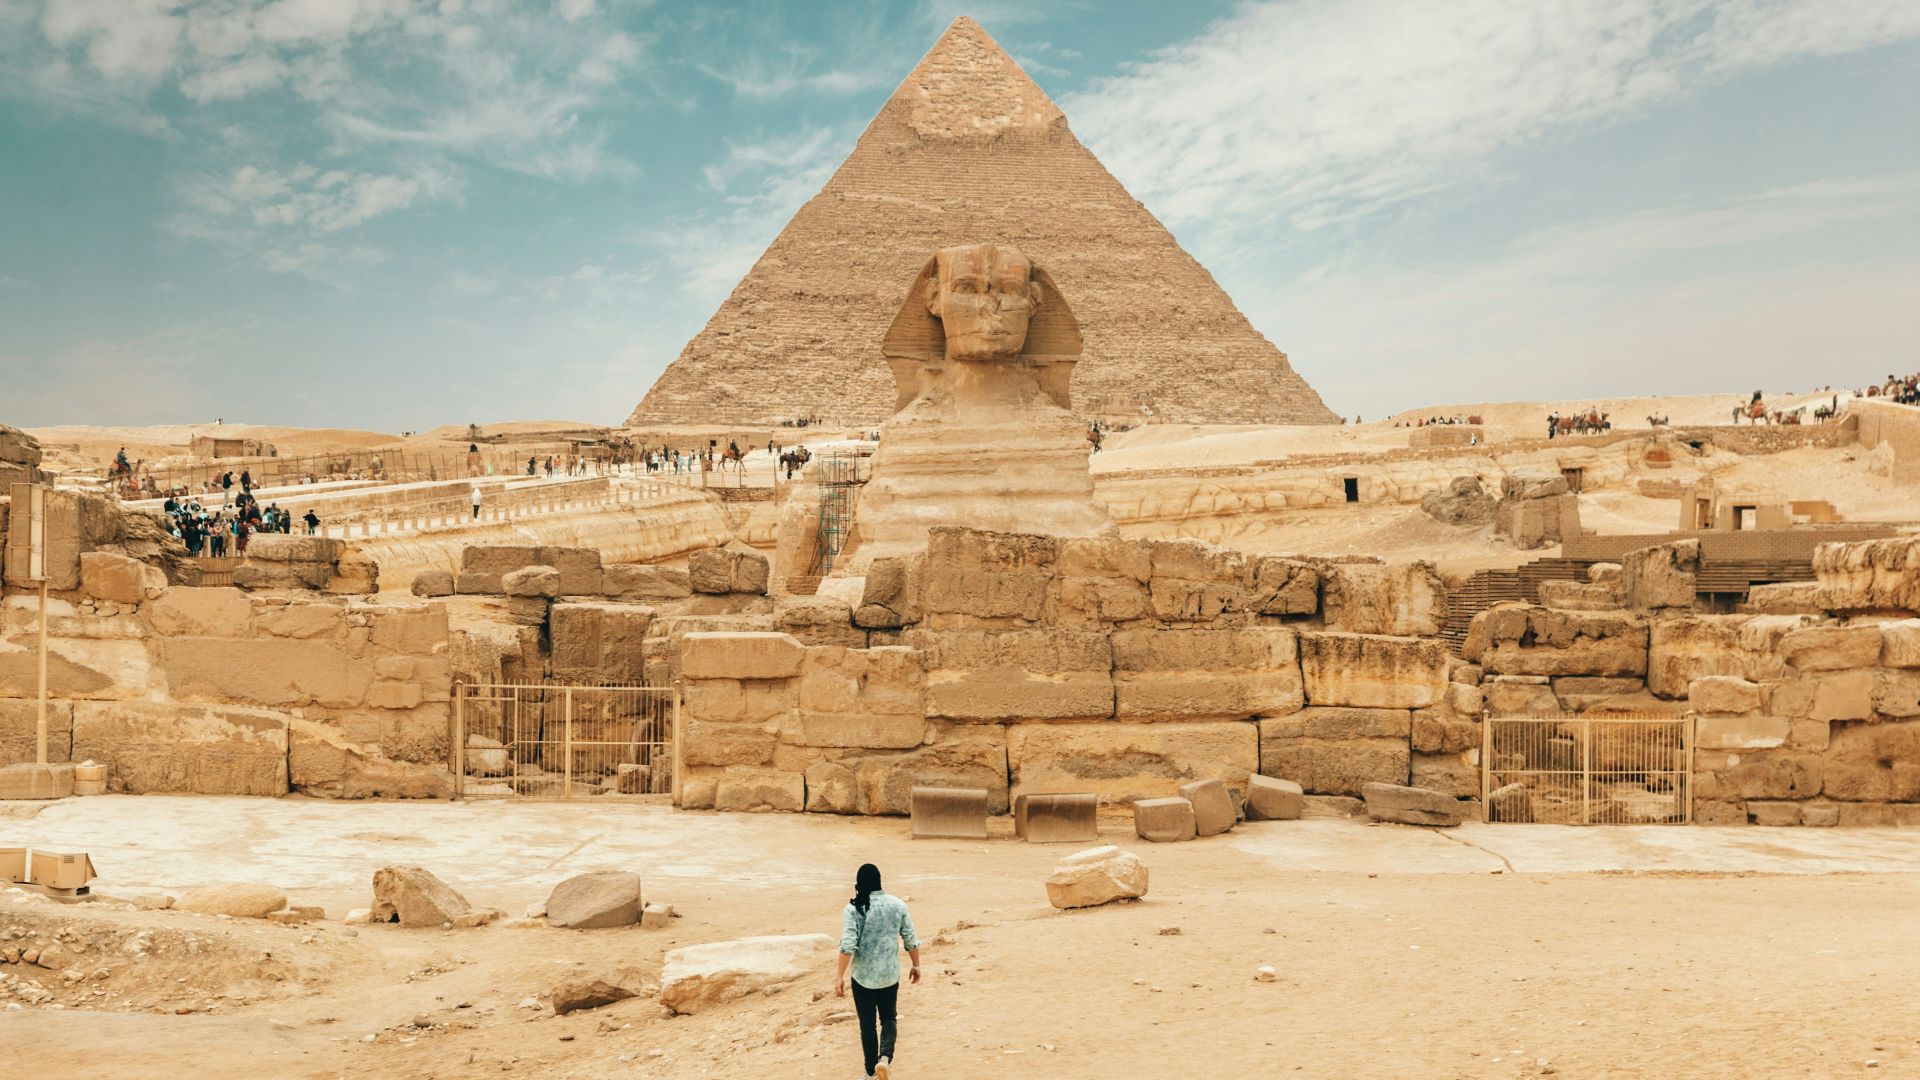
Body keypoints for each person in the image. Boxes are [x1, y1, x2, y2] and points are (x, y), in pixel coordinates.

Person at [836, 863, 919, 1080]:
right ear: (880, 881)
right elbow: (910, 939)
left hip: (863, 978)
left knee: (867, 1024)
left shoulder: (853, 909)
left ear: (858, 884)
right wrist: (916, 965)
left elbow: (848, 945)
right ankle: (885, 1058)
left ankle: (871, 1072)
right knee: (889, 1018)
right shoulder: (897, 905)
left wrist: (839, 976)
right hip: (889, 975)